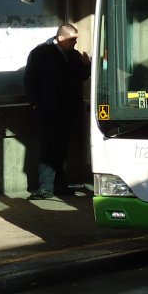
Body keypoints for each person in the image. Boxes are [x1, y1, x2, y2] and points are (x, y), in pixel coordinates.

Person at [23, 23, 91, 200]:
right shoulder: (40, 53)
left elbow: (81, 76)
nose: (75, 43)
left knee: (61, 149)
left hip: (68, 110)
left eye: (76, 39)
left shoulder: (73, 55)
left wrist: (87, 66)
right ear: (60, 38)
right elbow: (30, 79)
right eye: (72, 40)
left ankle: (58, 185)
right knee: (48, 149)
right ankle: (45, 187)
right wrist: (36, 104)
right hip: (48, 110)